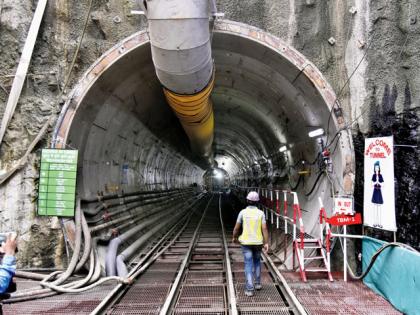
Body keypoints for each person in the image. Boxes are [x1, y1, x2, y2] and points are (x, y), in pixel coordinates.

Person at [232, 191, 269, 297]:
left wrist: (234, 237)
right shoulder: (261, 213)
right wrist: (266, 243)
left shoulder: (242, 212)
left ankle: (249, 289)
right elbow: (265, 229)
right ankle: (257, 284)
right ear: (257, 202)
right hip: (258, 243)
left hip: (246, 243)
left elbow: (236, 228)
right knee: (257, 262)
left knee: (248, 264)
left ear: (247, 200)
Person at [371, 161, 384, 228]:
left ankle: (380, 223)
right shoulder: (373, 175)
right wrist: (375, 182)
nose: (377, 168)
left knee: (379, 207)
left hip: (379, 191)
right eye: (375, 167)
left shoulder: (380, 175)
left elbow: (383, 184)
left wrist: (379, 182)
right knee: (375, 207)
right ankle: (375, 223)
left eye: (378, 167)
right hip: (375, 191)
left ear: (379, 168)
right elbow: (371, 184)